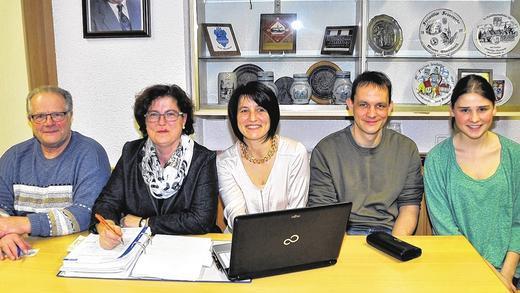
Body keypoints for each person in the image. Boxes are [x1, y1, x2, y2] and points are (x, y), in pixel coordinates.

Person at [92, 84, 219, 250]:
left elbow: (201, 220)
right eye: (153, 115)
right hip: (138, 248)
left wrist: (144, 223)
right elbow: (106, 203)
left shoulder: (203, 159)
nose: (162, 122)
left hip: (188, 249)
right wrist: (107, 226)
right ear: (144, 121)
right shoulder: (131, 153)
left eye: (171, 114)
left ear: (184, 120)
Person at [424, 74, 519, 291]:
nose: (474, 118)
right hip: (455, 270)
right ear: (452, 110)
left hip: (509, 274)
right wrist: (489, 275)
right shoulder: (438, 159)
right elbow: (445, 229)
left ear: (494, 109)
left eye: (482, 109)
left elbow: (518, 222)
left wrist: (505, 276)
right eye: (465, 110)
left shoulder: (515, 156)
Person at [0, 86, 111, 260]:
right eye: (40, 116)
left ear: (70, 116)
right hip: (23, 255)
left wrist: (22, 224)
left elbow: (87, 214)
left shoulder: (90, 154)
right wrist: (6, 235)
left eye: (57, 115)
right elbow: (1, 208)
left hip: (71, 258)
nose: (49, 122)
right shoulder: (13, 157)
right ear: (30, 120)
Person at [308, 71, 423, 236]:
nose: (371, 113)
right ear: (350, 105)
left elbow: (409, 206)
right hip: (342, 237)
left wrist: (395, 245)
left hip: (390, 234)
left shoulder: (407, 149)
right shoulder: (326, 151)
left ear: (390, 108)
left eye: (380, 106)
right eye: (363, 105)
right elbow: (324, 213)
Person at [217, 81, 309, 231]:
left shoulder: (295, 153)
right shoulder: (225, 162)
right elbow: (236, 216)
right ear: (234, 118)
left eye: (260, 109)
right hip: (241, 241)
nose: (252, 118)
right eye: (244, 111)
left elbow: (296, 214)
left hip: (286, 239)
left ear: (272, 114)